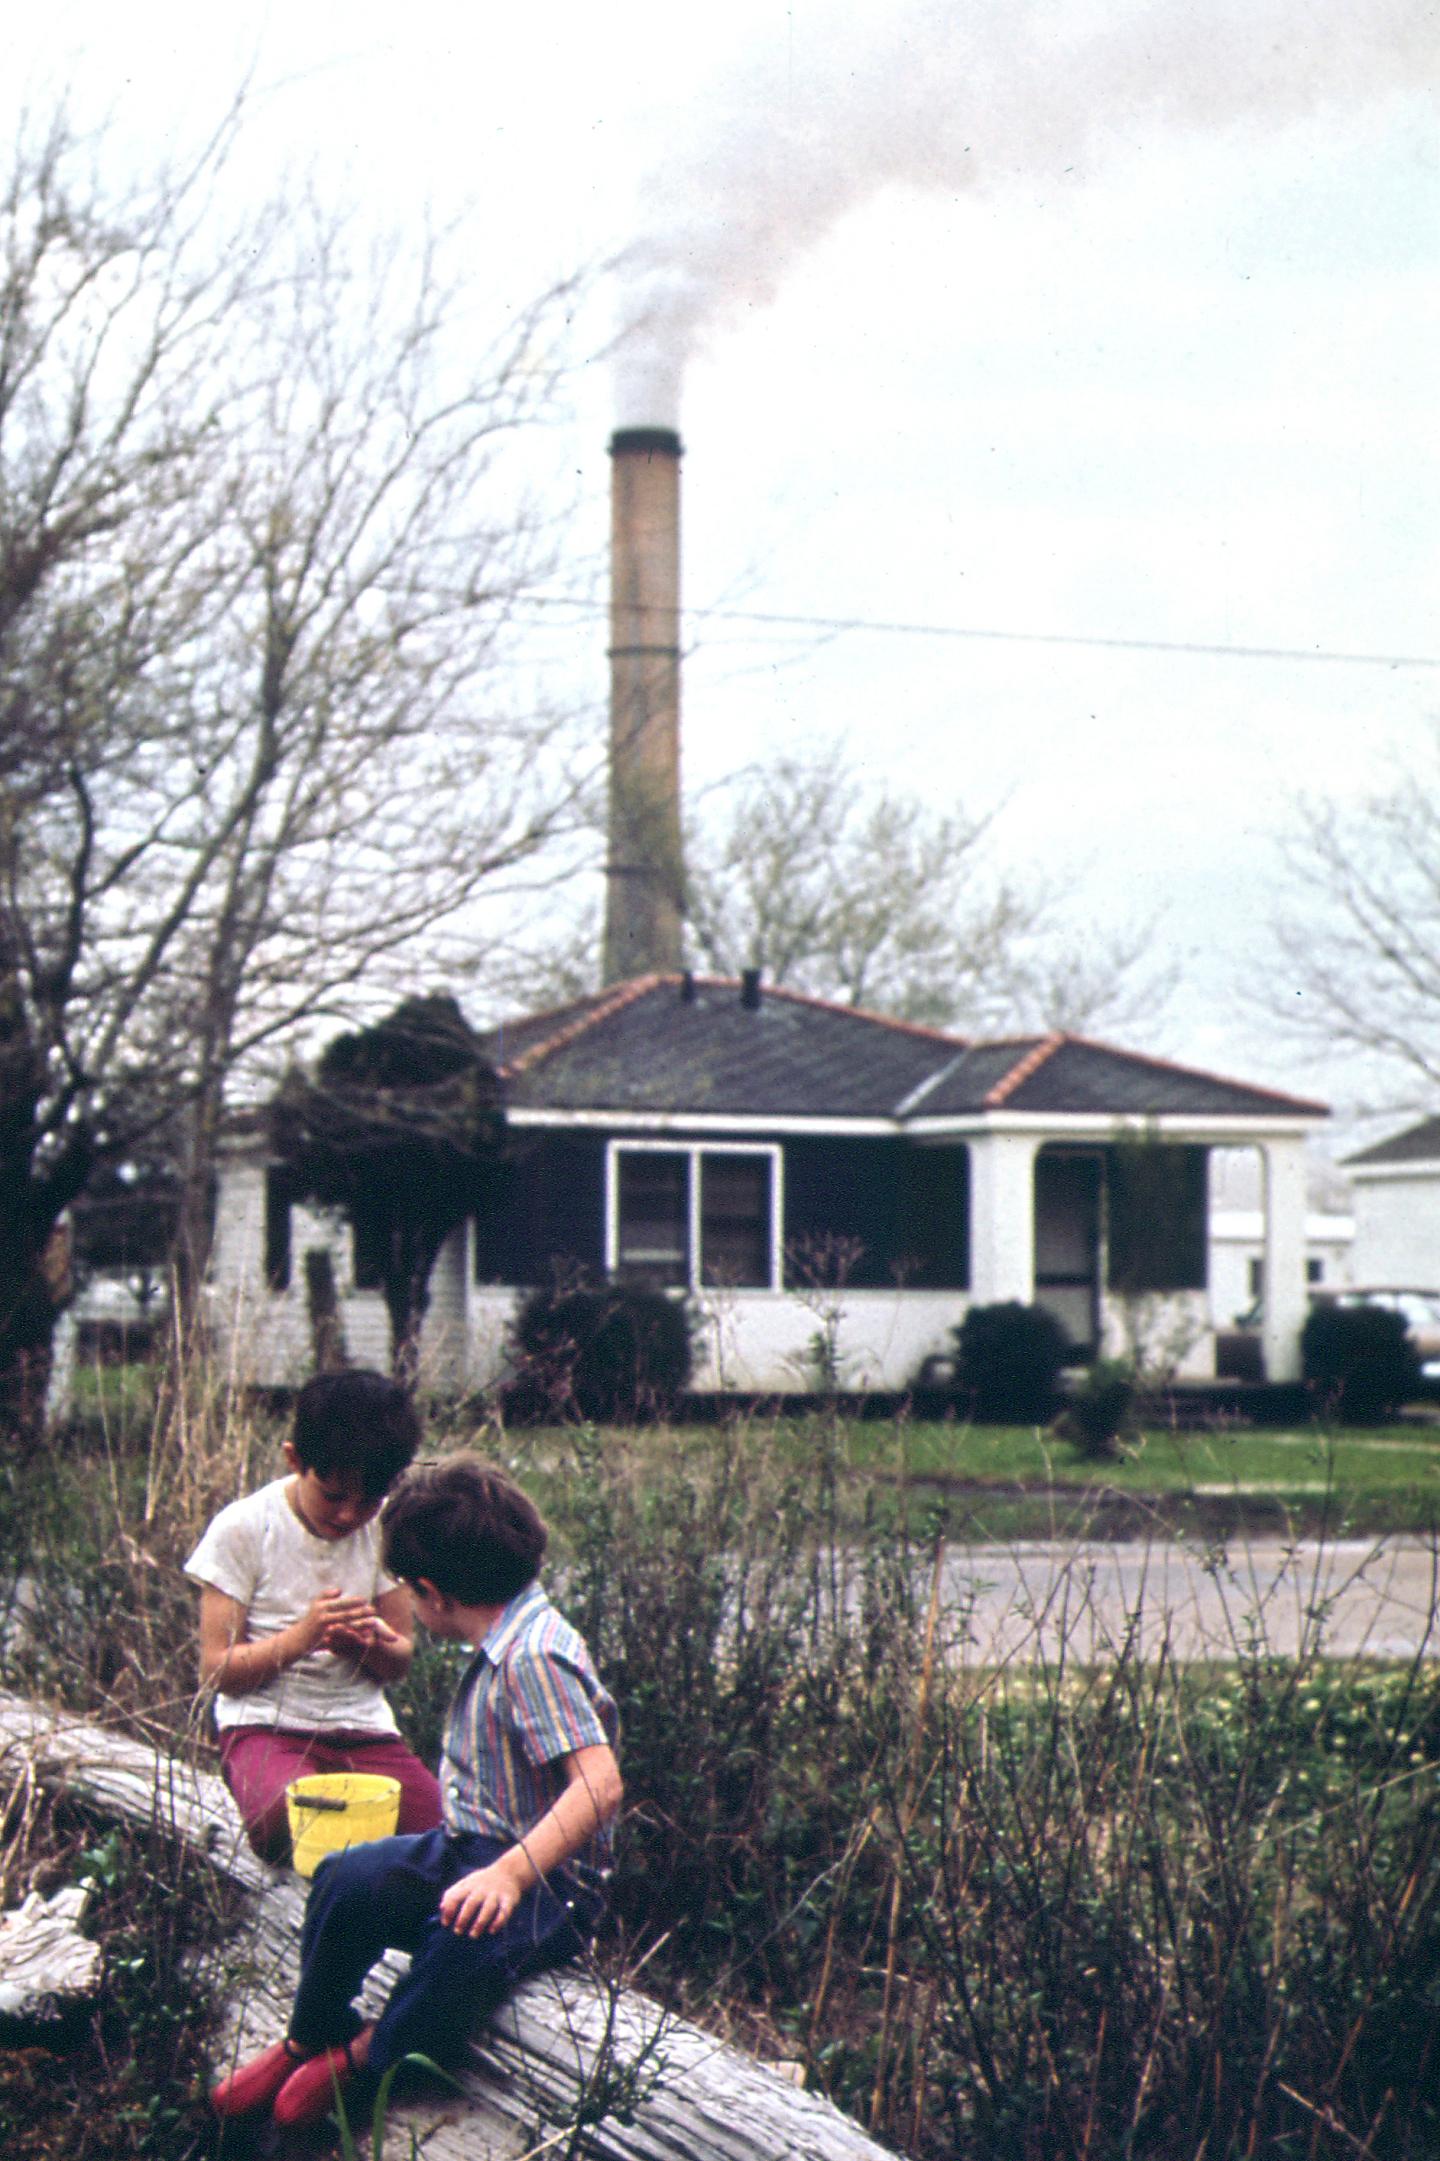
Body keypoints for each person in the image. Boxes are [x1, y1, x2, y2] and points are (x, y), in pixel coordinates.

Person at [209, 1455, 623, 2132]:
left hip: (550, 1882)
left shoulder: (533, 1656)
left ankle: (373, 2058)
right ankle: (310, 2034)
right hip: (468, 1847)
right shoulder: (502, 1637)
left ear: (432, 1591)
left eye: (408, 1590)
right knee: (349, 1875)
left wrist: (511, 1874)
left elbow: (600, 1784)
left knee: (456, 1946)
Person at [185, 1368, 443, 1863]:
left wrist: (365, 1644)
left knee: (437, 1839)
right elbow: (216, 1671)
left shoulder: (384, 1529)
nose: (349, 1515)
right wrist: (303, 1637)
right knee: (295, 1817)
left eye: (368, 1500)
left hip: (362, 1731)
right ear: (294, 1460)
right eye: (333, 1495)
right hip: (265, 1727)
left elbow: (400, 1660)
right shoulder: (244, 1528)